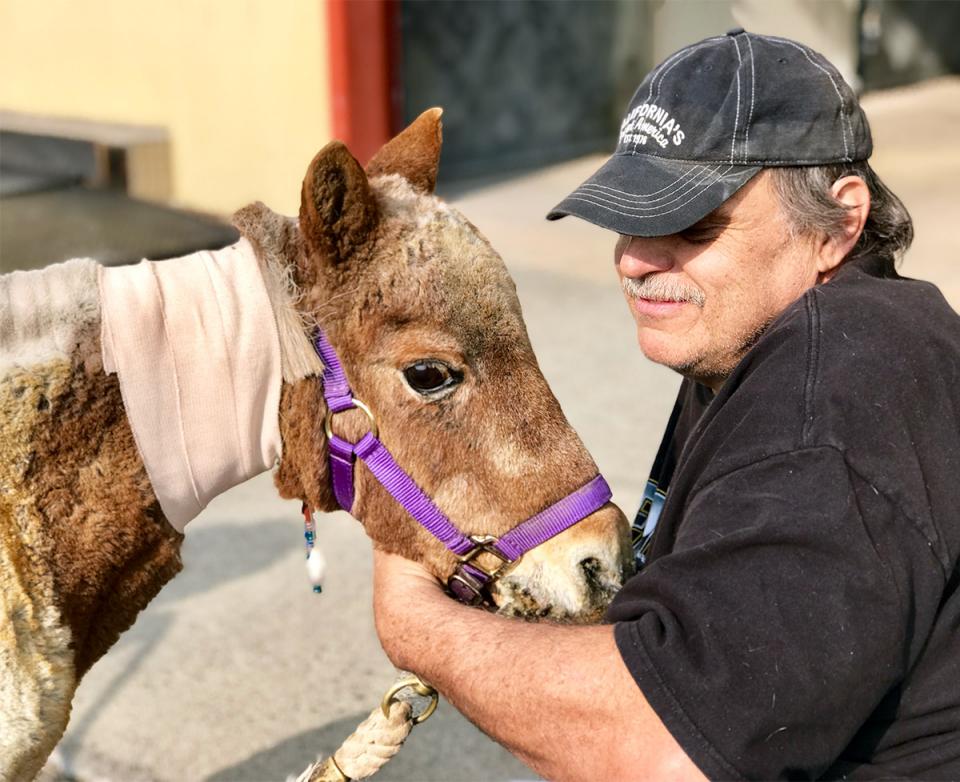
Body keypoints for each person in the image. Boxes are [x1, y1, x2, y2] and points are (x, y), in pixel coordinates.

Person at [372, 29, 960, 780]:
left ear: (839, 222)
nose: (639, 260)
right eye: (631, 216)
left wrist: (416, 623)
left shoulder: (831, 398)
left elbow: (659, 750)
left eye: (694, 226)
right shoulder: (786, 333)